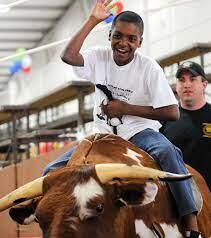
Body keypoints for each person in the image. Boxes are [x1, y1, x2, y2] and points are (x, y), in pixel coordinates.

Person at [43, 1, 201, 237]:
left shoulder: (149, 68)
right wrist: (92, 20)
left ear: (140, 42)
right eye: (118, 36)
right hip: (100, 136)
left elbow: (172, 112)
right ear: (109, 35)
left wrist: (125, 108)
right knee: (51, 171)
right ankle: (55, 226)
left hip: (139, 133)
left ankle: (190, 221)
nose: (123, 43)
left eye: (131, 38)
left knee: (168, 152)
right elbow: (68, 56)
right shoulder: (99, 57)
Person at [161, 61, 211, 191]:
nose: (187, 85)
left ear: (204, 84)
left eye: (193, 79)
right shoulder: (164, 120)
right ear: (176, 86)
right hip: (177, 197)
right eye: (181, 80)